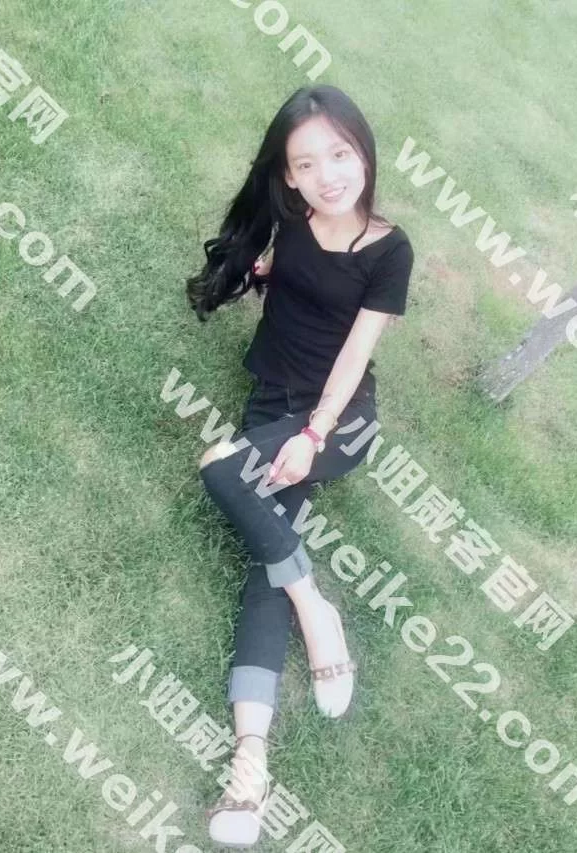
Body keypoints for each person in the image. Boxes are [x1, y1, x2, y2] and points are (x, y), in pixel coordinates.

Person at [186, 83, 414, 847]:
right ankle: (250, 763)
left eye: (339, 155)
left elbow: (355, 354)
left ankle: (313, 612)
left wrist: (313, 434)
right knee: (267, 566)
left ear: (364, 152)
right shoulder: (291, 218)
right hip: (272, 403)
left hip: (335, 421)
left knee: (222, 469)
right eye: (306, 164)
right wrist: (259, 275)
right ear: (287, 174)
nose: (327, 176)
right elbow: (292, 276)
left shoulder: (390, 250)